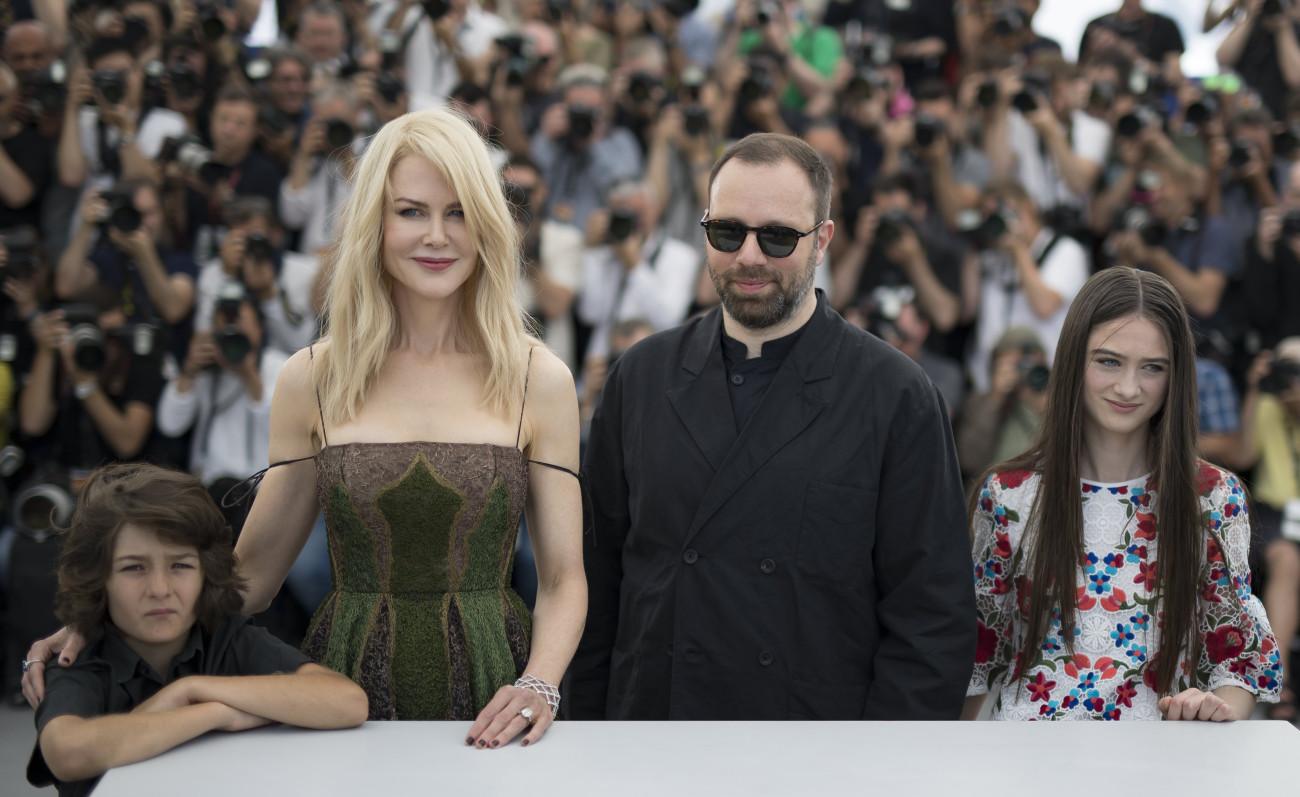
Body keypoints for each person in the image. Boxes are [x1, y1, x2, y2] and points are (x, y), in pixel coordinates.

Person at [25, 108, 587, 746]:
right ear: (374, 223)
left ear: (487, 223)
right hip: (343, 689)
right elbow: (252, 577)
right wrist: (106, 624)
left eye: (458, 213)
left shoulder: (538, 378)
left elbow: (563, 578)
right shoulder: (312, 377)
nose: (437, 235)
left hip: (497, 689)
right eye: (411, 212)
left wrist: (539, 683)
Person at [569, 133, 975, 721]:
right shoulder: (641, 376)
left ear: (823, 240)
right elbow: (593, 581)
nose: (749, 257)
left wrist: (882, 759)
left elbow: (932, 616)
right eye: (727, 232)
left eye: (778, 237)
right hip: (654, 730)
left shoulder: (896, 394)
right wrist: (589, 735)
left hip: (815, 741)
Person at [964, 267, 1281, 721]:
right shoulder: (1008, 495)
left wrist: (1213, 710)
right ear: (1073, 360)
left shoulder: (1213, 496)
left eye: (1152, 367)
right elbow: (979, 658)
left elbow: (1237, 657)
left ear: (1176, 376)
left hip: (1158, 754)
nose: (1129, 387)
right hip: (1025, 751)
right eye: (1109, 361)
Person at [26, 463, 368, 797]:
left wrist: (191, 688)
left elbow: (347, 701)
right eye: (134, 568)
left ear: (207, 572)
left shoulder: (222, 635)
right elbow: (67, 753)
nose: (160, 589)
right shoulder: (79, 656)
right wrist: (212, 713)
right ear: (98, 579)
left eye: (180, 565)